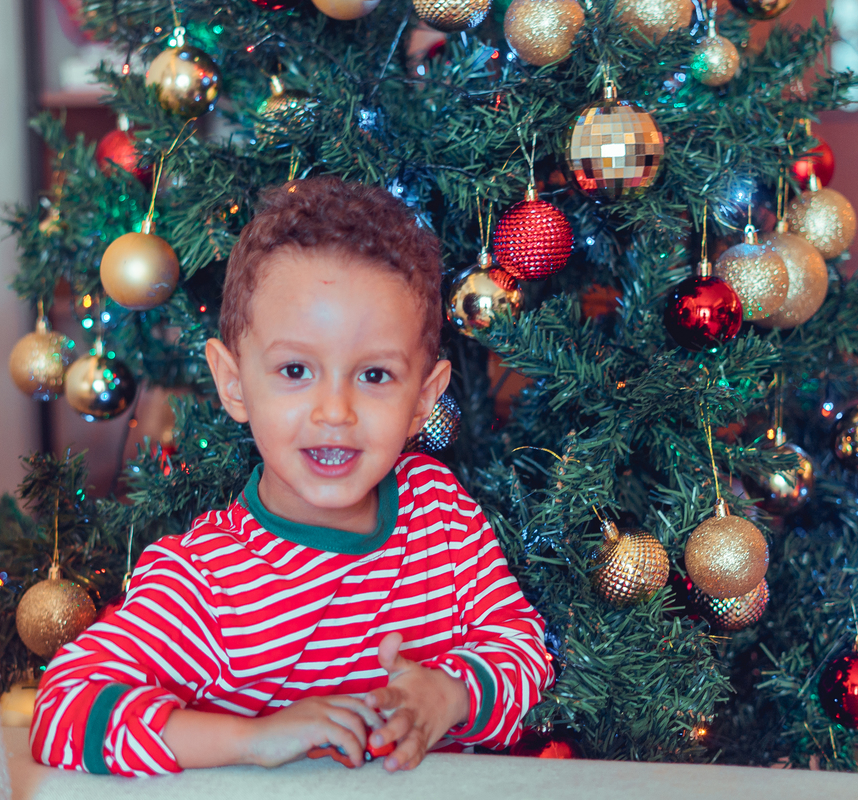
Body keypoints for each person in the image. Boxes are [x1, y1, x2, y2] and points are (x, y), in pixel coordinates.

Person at [30, 178, 554, 777]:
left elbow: (521, 648)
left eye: (375, 376)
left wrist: (450, 695)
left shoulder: (441, 513)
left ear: (423, 400)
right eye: (296, 369)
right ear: (233, 383)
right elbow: (64, 709)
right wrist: (252, 739)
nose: (335, 412)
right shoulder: (205, 581)